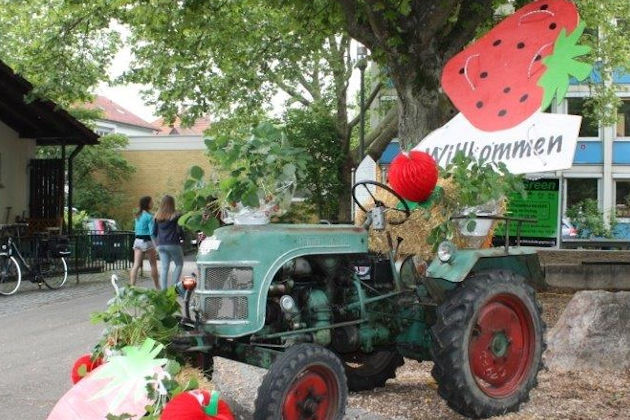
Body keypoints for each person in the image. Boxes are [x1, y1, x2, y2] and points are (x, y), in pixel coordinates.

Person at [152, 195, 184, 290]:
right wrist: (183, 238)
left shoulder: (157, 217)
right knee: (179, 264)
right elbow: (179, 230)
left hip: (161, 245)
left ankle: (164, 291)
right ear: (172, 204)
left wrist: (156, 245)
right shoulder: (176, 215)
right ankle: (174, 288)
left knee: (164, 267)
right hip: (173, 243)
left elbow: (153, 233)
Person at [130, 196, 159, 288]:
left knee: (136, 265)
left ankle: (132, 287)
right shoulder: (149, 217)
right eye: (151, 202)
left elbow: (136, 230)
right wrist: (156, 246)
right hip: (147, 242)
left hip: (137, 241)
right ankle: (157, 287)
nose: (152, 203)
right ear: (147, 204)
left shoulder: (137, 216)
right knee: (153, 265)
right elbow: (152, 233)